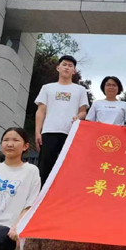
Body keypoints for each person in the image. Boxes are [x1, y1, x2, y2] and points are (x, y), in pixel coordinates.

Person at [35, 55, 89, 186]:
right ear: (58, 68)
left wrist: (78, 117)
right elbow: (41, 110)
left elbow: (83, 111)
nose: (67, 67)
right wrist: (37, 131)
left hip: (71, 133)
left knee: (70, 166)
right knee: (45, 167)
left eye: (70, 66)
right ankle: (41, 194)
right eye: (64, 64)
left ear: (74, 71)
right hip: (49, 131)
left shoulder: (80, 90)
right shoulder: (47, 88)